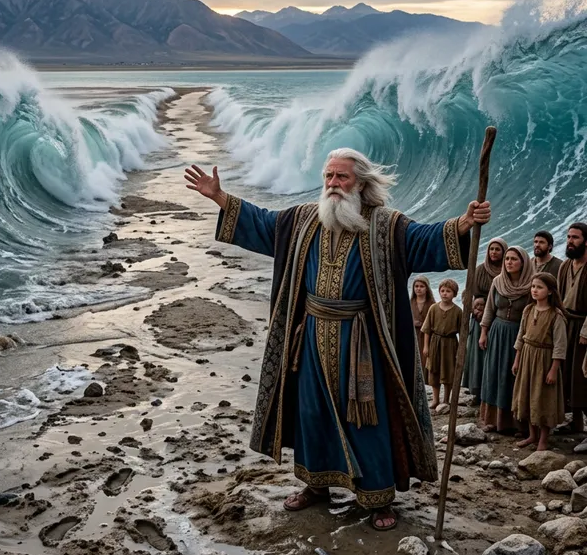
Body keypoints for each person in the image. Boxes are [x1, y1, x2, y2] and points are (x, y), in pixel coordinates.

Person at [184, 150, 490, 531]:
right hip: (311, 337)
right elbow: (263, 224)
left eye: (341, 177)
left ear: (360, 183)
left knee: (366, 416)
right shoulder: (302, 220)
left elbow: (422, 239)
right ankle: (316, 486)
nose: (332, 184)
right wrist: (220, 197)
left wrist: (463, 223)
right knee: (313, 414)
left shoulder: (385, 225)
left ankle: (378, 498)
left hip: (363, 342)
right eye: (328, 176)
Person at [479, 246, 533, 434]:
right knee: (494, 374)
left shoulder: (530, 285)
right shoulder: (498, 282)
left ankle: (517, 423)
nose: (509, 262)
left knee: (514, 377)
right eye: (507, 259)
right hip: (498, 331)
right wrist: (483, 332)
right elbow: (489, 309)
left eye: (513, 259)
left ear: (523, 263)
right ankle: (493, 420)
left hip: (519, 335)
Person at [511, 272, 567, 451]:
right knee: (527, 395)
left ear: (550, 291)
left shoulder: (555, 315)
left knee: (543, 398)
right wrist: (517, 360)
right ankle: (532, 435)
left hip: (544, 360)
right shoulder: (528, 310)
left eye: (539, 287)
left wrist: (553, 369)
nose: (534, 290)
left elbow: (560, 345)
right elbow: (521, 336)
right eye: (533, 286)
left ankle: (543, 439)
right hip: (527, 356)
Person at [557, 223, 587, 449]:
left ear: (586, 241)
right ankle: (576, 424)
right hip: (566, 324)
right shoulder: (566, 266)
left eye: (575, 237)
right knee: (568, 376)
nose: (570, 241)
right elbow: (558, 299)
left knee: (583, 377)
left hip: (583, 327)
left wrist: (586, 332)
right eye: (568, 237)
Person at [421, 279, 462, 409]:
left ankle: (446, 400)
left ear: (454, 294)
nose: (445, 294)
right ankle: (435, 399)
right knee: (434, 371)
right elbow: (427, 329)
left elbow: (462, 332)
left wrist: (461, 349)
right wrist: (426, 346)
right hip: (435, 342)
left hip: (450, 344)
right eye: (442, 291)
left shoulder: (458, 311)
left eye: (448, 291)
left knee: (449, 371)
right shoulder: (433, 308)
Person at [463, 296, 486, 405]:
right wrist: (473, 309)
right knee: (474, 360)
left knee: (483, 360)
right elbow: (465, 298)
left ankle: (483, 393)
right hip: (475, 327)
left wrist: (485, 311)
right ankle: (475, 390)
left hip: (487, 325)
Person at [410, 277, 435, 381]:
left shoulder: (432, 304)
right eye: (416, 286)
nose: (418, 289)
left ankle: (426, 380)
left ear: (427, 288)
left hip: (427, 336)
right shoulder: (410, 302)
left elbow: (435, 320)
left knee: (426, 358)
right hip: (413, 334)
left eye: (421, 286)